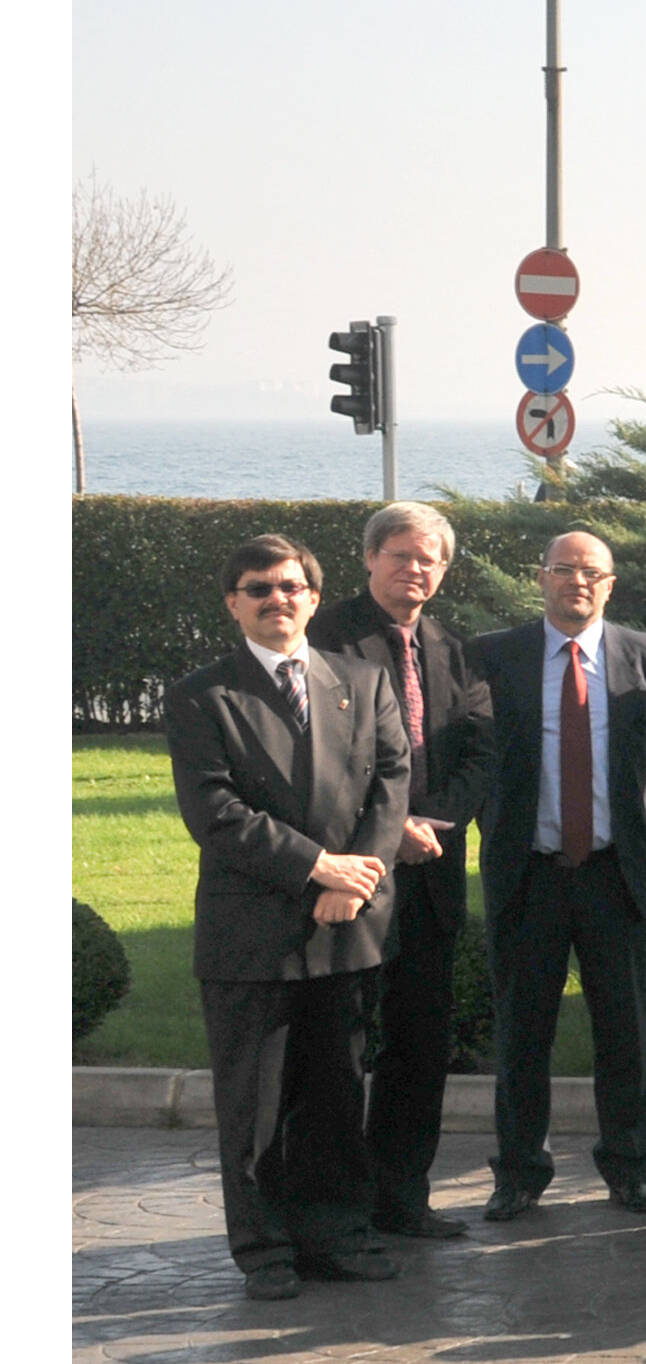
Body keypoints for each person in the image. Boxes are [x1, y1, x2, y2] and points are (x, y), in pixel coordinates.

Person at [166, 535, 408, 1299]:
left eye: (291, 586)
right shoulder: (202, 696)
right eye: (259, 588)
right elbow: (215, 811)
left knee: (336, 1095)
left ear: (313, 596)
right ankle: (266, 1248)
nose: (278, 599)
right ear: (232, 602)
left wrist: (356, 879)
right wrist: (317, 868)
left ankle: (337, 1233)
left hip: (346, 924)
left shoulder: (363, 681)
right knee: (258, 1108)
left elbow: (391, 781)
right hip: (254, 934)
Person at [304, 502, 496, 1241]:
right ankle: (335, 1205)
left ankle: (402, 1197)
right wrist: (393, 829)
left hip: (431, 870)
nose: (415, 569)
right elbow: (324, 756)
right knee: (342, 1043)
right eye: (401, 555)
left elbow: (481, 747)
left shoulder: (452, 648)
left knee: (419, 1043)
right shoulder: (325, 638)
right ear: (369, 558)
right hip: (351, 870)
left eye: (429, 559)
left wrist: (433, 822)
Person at [470, 530, 646, 1221]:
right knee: (522, 1030)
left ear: (610, 585)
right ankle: (519, 1173)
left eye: (591, 572)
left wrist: (642, 817)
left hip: (616, 873)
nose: (577, 581)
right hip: (527, 871)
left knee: (626, 1029)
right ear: (541, 577)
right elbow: (471, 751)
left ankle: (631, 1167)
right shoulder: (494, 655)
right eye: (564, 569)